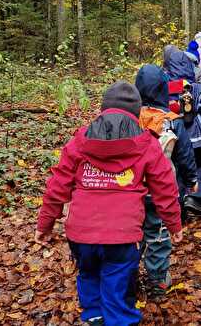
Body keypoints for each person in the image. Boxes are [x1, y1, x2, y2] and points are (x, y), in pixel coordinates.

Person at [35, 82, 183, 326]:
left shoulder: (80, 140)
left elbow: (57, 185)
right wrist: (174, 225)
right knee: (117, 285)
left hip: (81, 234)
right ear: (137, 113)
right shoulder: (147, 143)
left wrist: (45, 224)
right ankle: (119, 320)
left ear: (102, 109)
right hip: (122, 236)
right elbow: (165, 189)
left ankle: (94, 317)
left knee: (89, 274)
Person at [135, 65, 198, 298]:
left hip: (132, 189)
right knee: (159, 234)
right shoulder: (172, 121)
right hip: (162, 189)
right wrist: (192, 179)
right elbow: (185, 155)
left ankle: (128, 274)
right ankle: (158, 280)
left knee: (134, 233)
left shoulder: (131, 119)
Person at [163, 47, 201, 216]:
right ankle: (195, 197)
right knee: (200, 166)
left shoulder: (165, 88)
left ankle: (180, 204)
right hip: (196, 137)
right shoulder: (197, 88)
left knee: (178, 170)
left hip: (172, 137)